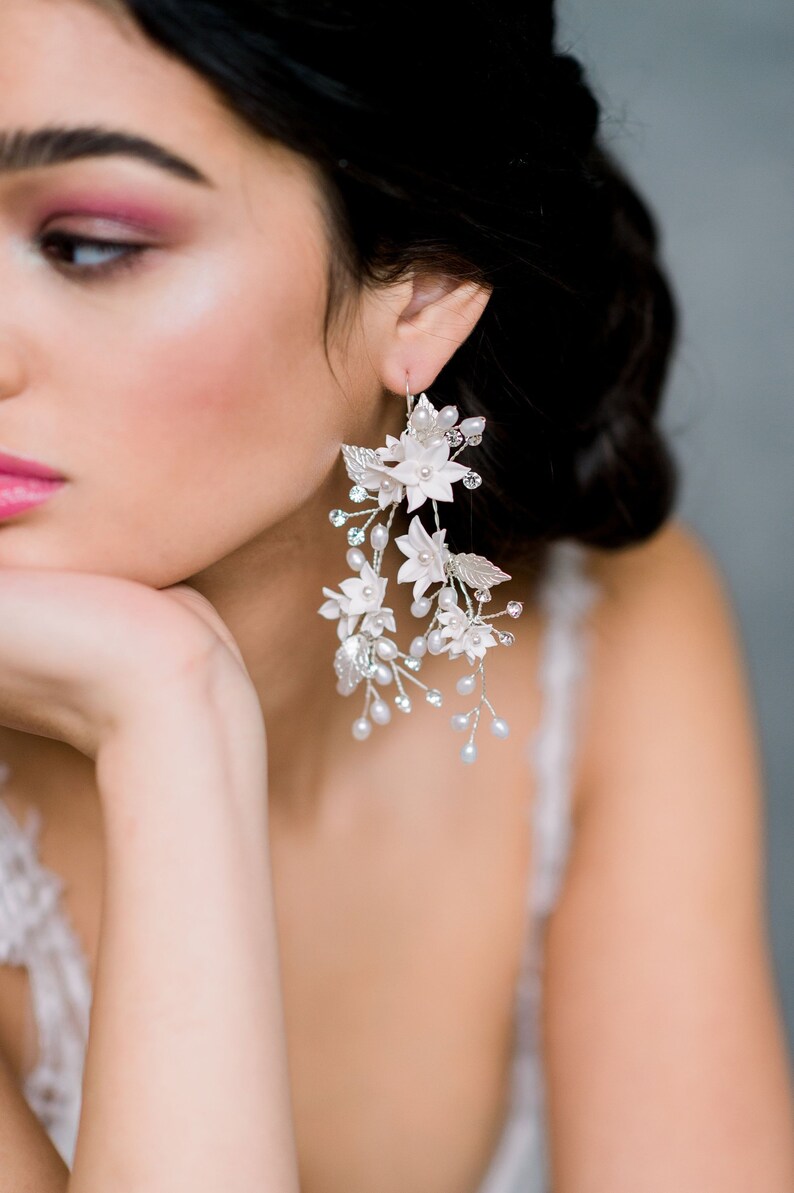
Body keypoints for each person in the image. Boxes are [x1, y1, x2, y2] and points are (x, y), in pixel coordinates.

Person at [0, 1, 791, 1190]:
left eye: (86, 243)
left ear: (420, 288)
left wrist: (178, 713)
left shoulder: (606, 633)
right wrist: (171, 717)